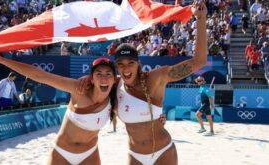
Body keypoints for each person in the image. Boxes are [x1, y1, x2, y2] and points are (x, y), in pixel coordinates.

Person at [78, 2, 207, 164]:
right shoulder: (114, 85)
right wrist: (86, 80)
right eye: (121, 64)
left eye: (130, 63)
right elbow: (94, 82)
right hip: (135, 155)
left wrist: (201, 19)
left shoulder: (156, 78)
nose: (126, 68)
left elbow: (199, 61)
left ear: (138, 64)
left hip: (163, 152)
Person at [0, 50, 117, 165]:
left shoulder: (117, 94)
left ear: (114, 79)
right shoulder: (78, 89)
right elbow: (40, 75)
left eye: (108, 74)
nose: (104, 79)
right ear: (92, 78)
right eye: (99, 74)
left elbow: (134, 79)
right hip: (62, 154)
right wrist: (1, 60)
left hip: (90, 154)